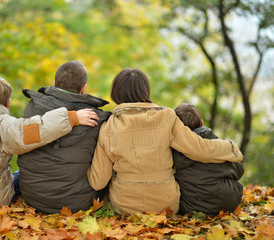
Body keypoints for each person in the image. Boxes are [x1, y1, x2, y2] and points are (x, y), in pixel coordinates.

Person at [87, 68, 243, 215]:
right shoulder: (167, 117)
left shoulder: (108, 128)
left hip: (125, 208)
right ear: (145, 91)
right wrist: (231, 148)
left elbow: (98, 182)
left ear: (115, 93)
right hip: (166, 206)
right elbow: (199, 149)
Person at [0, 77, 98, 214]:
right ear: (8, 103)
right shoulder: (2, 125)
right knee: (21, 174)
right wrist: (72, 117)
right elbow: (39, 129)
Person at [18, 61, 111, 214]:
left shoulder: (33, 106)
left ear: (54, 84)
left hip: (33, 196)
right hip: (75, 203)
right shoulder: (96, 119)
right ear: (84, 88)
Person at [172, 103, 244, 217]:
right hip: (226, 205)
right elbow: (239, 171)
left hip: (190, 208)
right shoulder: (216, 148)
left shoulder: (173, 153)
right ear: (202, 123)